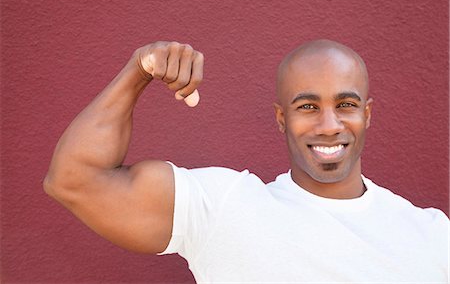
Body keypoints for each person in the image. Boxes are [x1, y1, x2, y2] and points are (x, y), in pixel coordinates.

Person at [44, 40, 449, 283]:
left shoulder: (432, 238)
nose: (329, 125)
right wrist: (138, 72)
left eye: (346, 104)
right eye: (308, 106)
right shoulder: (224, 208)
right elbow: (74, 179)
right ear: (281, 119)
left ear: (368, 115)